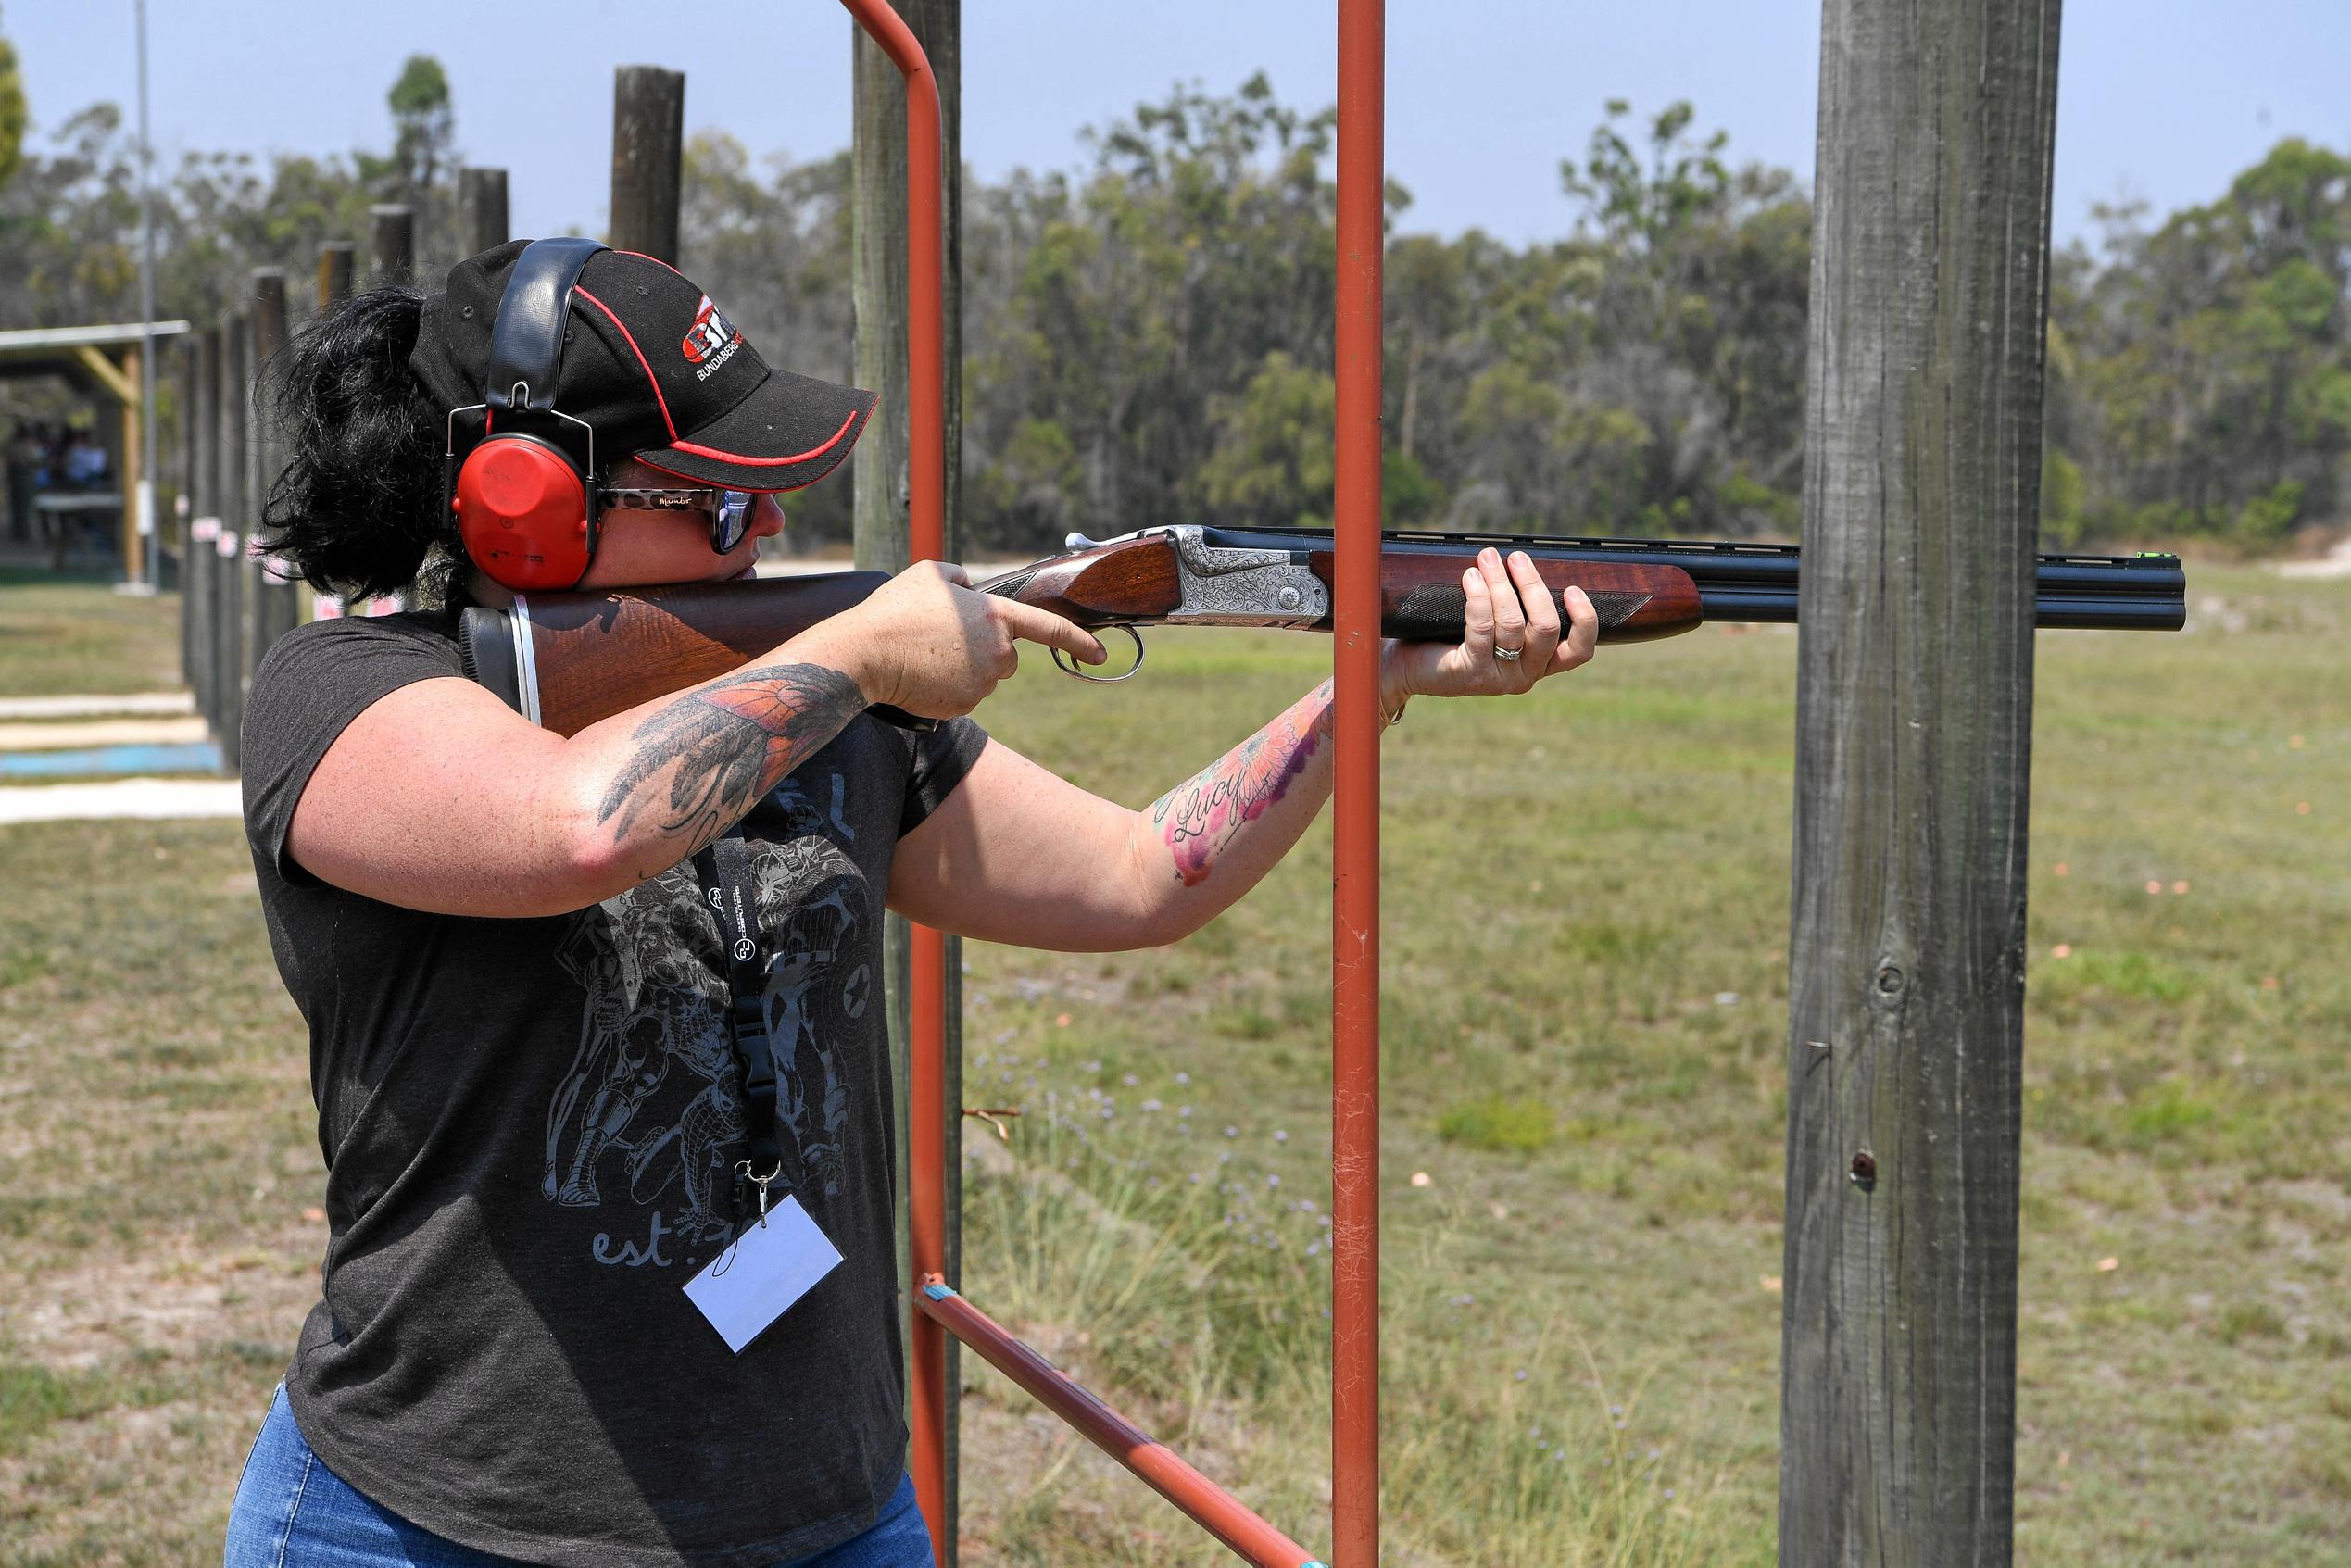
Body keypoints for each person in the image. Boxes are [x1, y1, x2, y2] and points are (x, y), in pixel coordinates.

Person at [224, 239, 1597, 1568]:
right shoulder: (346, 694)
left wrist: (1374, 683)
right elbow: (576, 828)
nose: (766, 529)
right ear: (524, 503)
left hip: (820, 1509)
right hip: (436, 1523)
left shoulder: (851, 709)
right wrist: (861, 648)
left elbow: (1138, 876)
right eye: (714, 502)